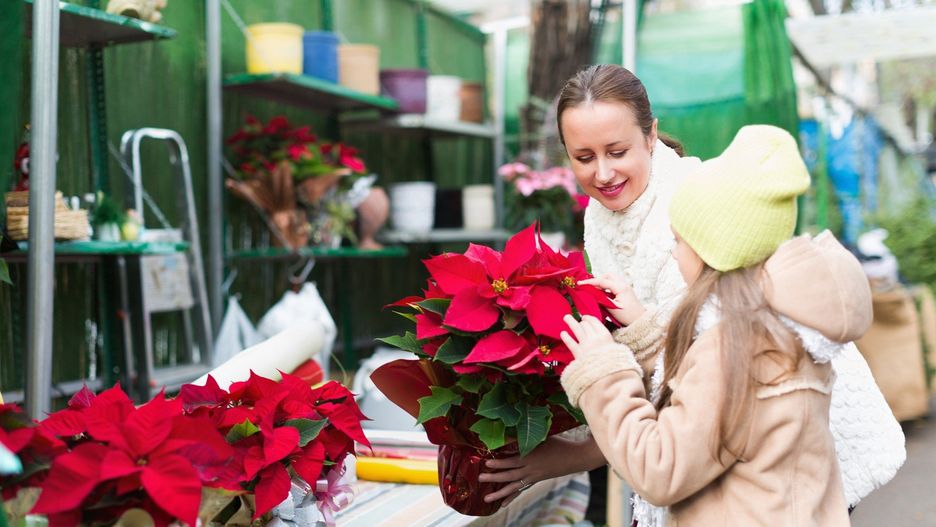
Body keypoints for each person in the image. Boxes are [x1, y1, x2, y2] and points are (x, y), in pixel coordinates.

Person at [479, 65, 904, 524]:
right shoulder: (606, 216)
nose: (602, 172)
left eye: (617, 151)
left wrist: (581, 446)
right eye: (584, 157)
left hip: (779, 457)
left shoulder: (694, 215)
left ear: (650, 135)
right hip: (729, 443)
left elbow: (687, 400)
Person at [558, 124, 859, 526]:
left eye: (680, 241)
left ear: (711, 252)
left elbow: (660, 468)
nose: (673, 252)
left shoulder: (731, 351)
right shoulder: (777, 329)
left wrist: (604, 372)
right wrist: (645, 332)